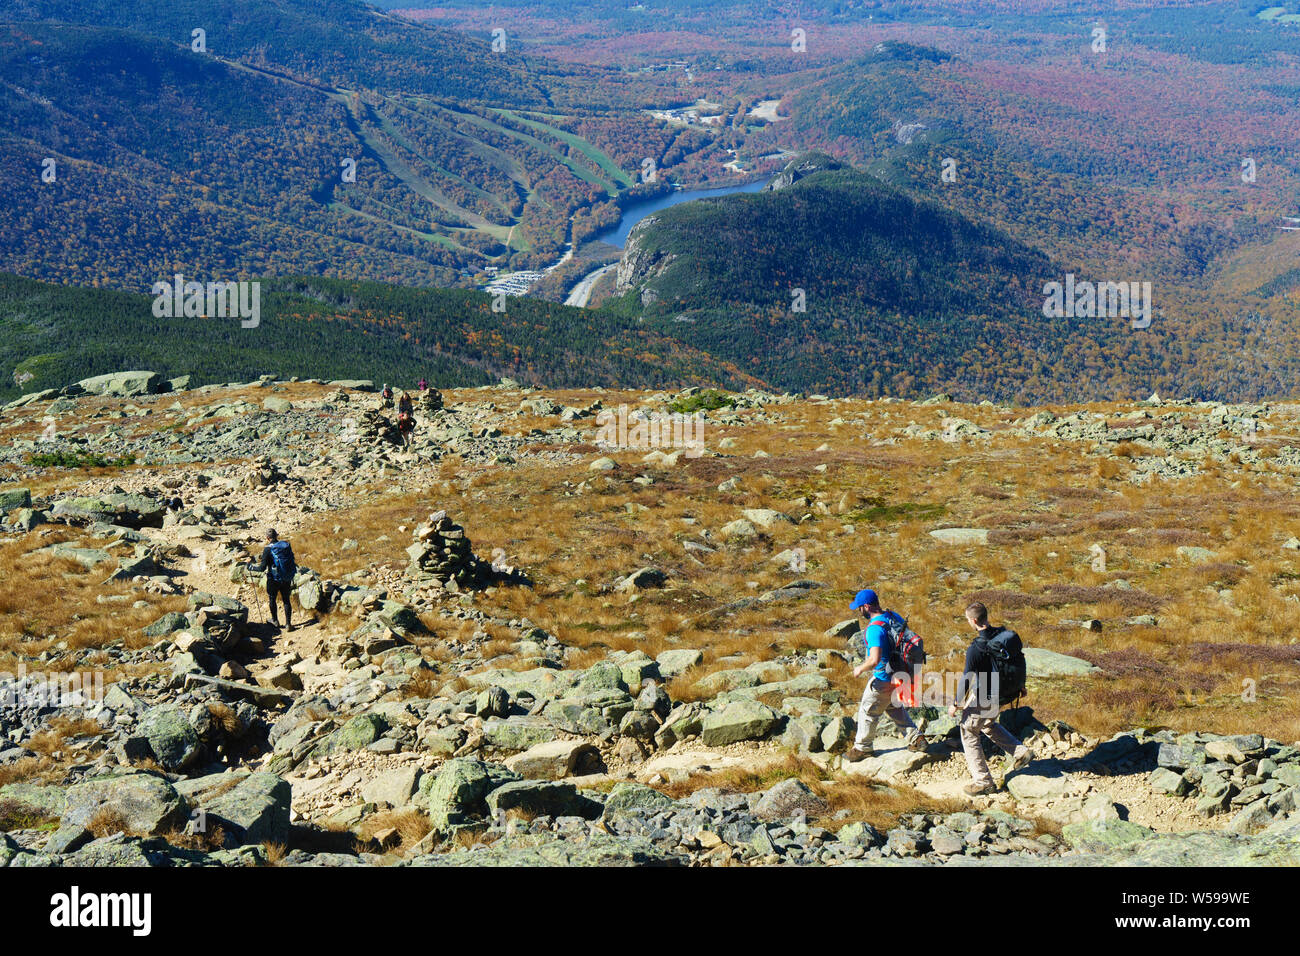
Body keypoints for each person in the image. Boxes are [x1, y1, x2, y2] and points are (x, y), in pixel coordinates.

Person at [949, 602, 1035, 795]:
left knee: (968, 730)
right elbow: (1017, 661)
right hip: (1004, 693)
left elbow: (967, 677)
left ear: (973, 620)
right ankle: (1021, 752)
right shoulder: (1004, 636)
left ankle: (983, 782)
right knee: (987, 724)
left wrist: (956, 703)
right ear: (986, 616)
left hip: (986, 695)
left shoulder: (976, 648)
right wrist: (1021, 685)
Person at [845, 588, 926, 761]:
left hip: (884, 678)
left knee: (868, 711)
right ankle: (916, 739)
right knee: (893, 707)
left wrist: (860, 668)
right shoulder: (893, 616)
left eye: (859, 608)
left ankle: (862, 748)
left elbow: (874, 659)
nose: (859, 611)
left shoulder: (874, 629)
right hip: (902, 674)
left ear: (866, 606)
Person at [248, 528, 297, 631]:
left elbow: (262, 568)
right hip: (286, 577)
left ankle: (275, 621)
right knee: (286, 600)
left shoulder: (268, 549)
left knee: (272, 598)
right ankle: (288, 624)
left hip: (273, 579)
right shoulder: (285, 546)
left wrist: (251, 567)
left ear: (267, 538)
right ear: (277, 536)